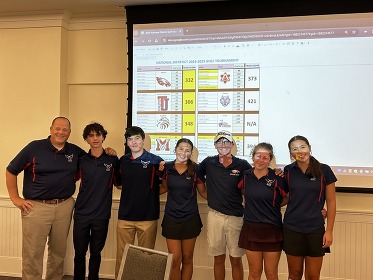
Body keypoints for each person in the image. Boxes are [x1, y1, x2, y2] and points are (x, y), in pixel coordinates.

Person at [5, 117, 86, 280]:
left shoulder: (75, 151)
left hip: (64, 206)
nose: (61, 132)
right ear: (50, 129)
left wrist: (108, 152)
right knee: (33, 253)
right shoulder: (34, 147)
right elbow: (11, 170)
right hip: (36, 207)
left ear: (69, 132)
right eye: (58, 128)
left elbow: (93, 161)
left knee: (58, 253)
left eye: (65, 130)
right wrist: (15, 198)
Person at [199, 130, 252, 280]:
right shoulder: (208, 162)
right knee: (218, 258)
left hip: (236, 218)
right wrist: (204, 194)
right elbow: (193, 173)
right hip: (215, 216)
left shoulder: (242, 164)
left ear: (232, 144)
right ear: (215, 145)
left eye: (227, 142)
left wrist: (276, 172)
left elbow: (256, 177)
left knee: (236, 259)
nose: (223, 145)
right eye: (220, 142)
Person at [283, 135, 337, 280]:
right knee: (294, 275)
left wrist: (329, 231)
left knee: (313, 276)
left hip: (315, 230)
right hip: (292, 229)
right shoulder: (287, 171)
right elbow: (285, 198)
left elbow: (331, 202)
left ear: (309, 148)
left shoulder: (324, 170)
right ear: (291, 154)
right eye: (294, 149)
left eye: (303, 147)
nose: (300, 151)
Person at [73, 122, 120, 280]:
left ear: (103, 137)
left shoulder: (112, 160)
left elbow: (119, 184)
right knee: (79, 253)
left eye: (98, 135)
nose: (95, 138)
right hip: (81, 213)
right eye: (91, 135)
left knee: (95, 253)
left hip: (101, 214)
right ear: (86, 139)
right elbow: (68, 179)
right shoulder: (81, 160)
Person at [115, 126, 164, 278]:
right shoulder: (122, 161)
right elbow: (119, 184)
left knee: (146, 257)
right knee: (122, 256)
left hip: (148, 217)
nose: (134, 142)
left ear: (143, 140)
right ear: (127, 142)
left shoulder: (156, 161)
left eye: (137, 138)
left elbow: (164, 186)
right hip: (125, 217)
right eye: (130, 139)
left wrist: (148, 193)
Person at [237, 142, 288, 280]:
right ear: (253, 157)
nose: (261, 160)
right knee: (254, 273)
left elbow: (287, 198)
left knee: (271, 274)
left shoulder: (277, 177)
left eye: (265, 158)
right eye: (258, 156)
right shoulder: (245, 176)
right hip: (251, 228)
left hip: (272, 229)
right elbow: (242, 192)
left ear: (270, 160)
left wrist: (274, 205)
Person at [160, 138, 207, 280]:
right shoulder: (167, 168)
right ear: (175, 149)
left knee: (187, 258)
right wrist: (141, 192)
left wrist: (222, 200)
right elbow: (163, 188)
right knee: (175, 260)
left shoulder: (196, 169)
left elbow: (203, 192)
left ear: (191, 153)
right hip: (171, 218)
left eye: (187, 150)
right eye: (181, 149)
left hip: (190, 218)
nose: (183, 152)